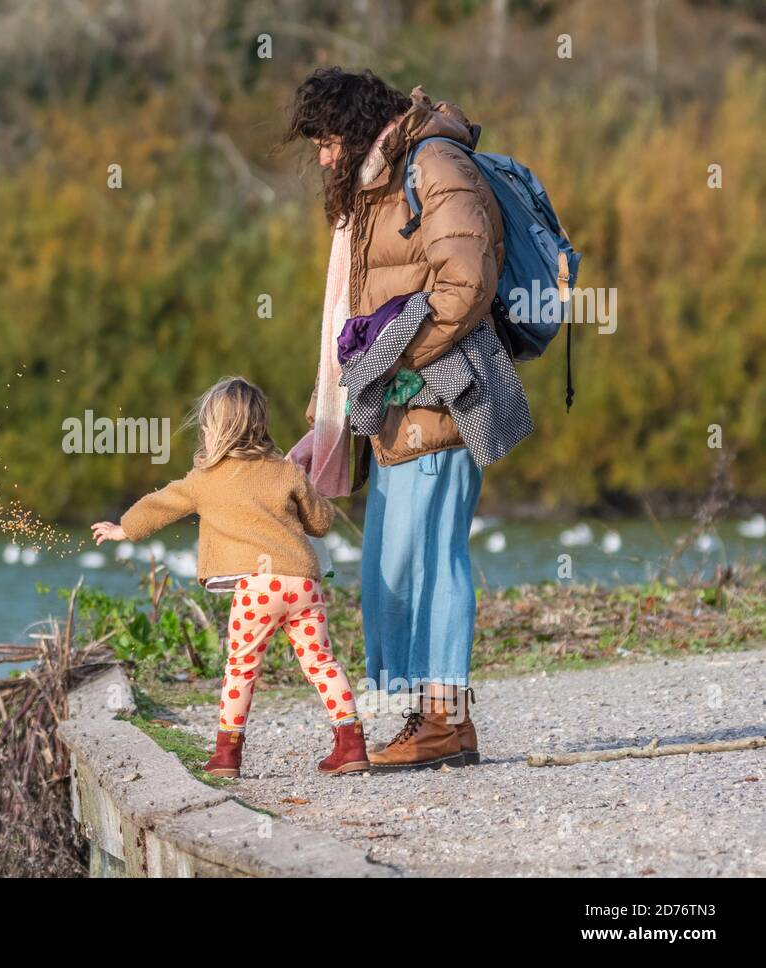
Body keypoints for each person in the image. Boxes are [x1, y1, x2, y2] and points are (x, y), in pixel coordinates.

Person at [285, 68, 515, 771]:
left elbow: (467, 279)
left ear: (356, 125)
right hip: (395, 404)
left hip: (440, 394)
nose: (324, 157)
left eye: (327, 140)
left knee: (433, 556)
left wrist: (401, 359)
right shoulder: (381, 179)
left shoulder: (434, 164)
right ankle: (426, 719)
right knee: (391, 566)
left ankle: (443, 723)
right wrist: (332, 416)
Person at [91, 376, 370, 778]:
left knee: (241, 668)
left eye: (206, 424)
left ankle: (227, 755)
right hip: (302, 584)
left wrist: (124, 528)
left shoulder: (205, 480)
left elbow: (161, 504)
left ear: (216, 430)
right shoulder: (285, 472)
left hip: (257, 589)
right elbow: (322, 522)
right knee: (321, 662)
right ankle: (351, 744)